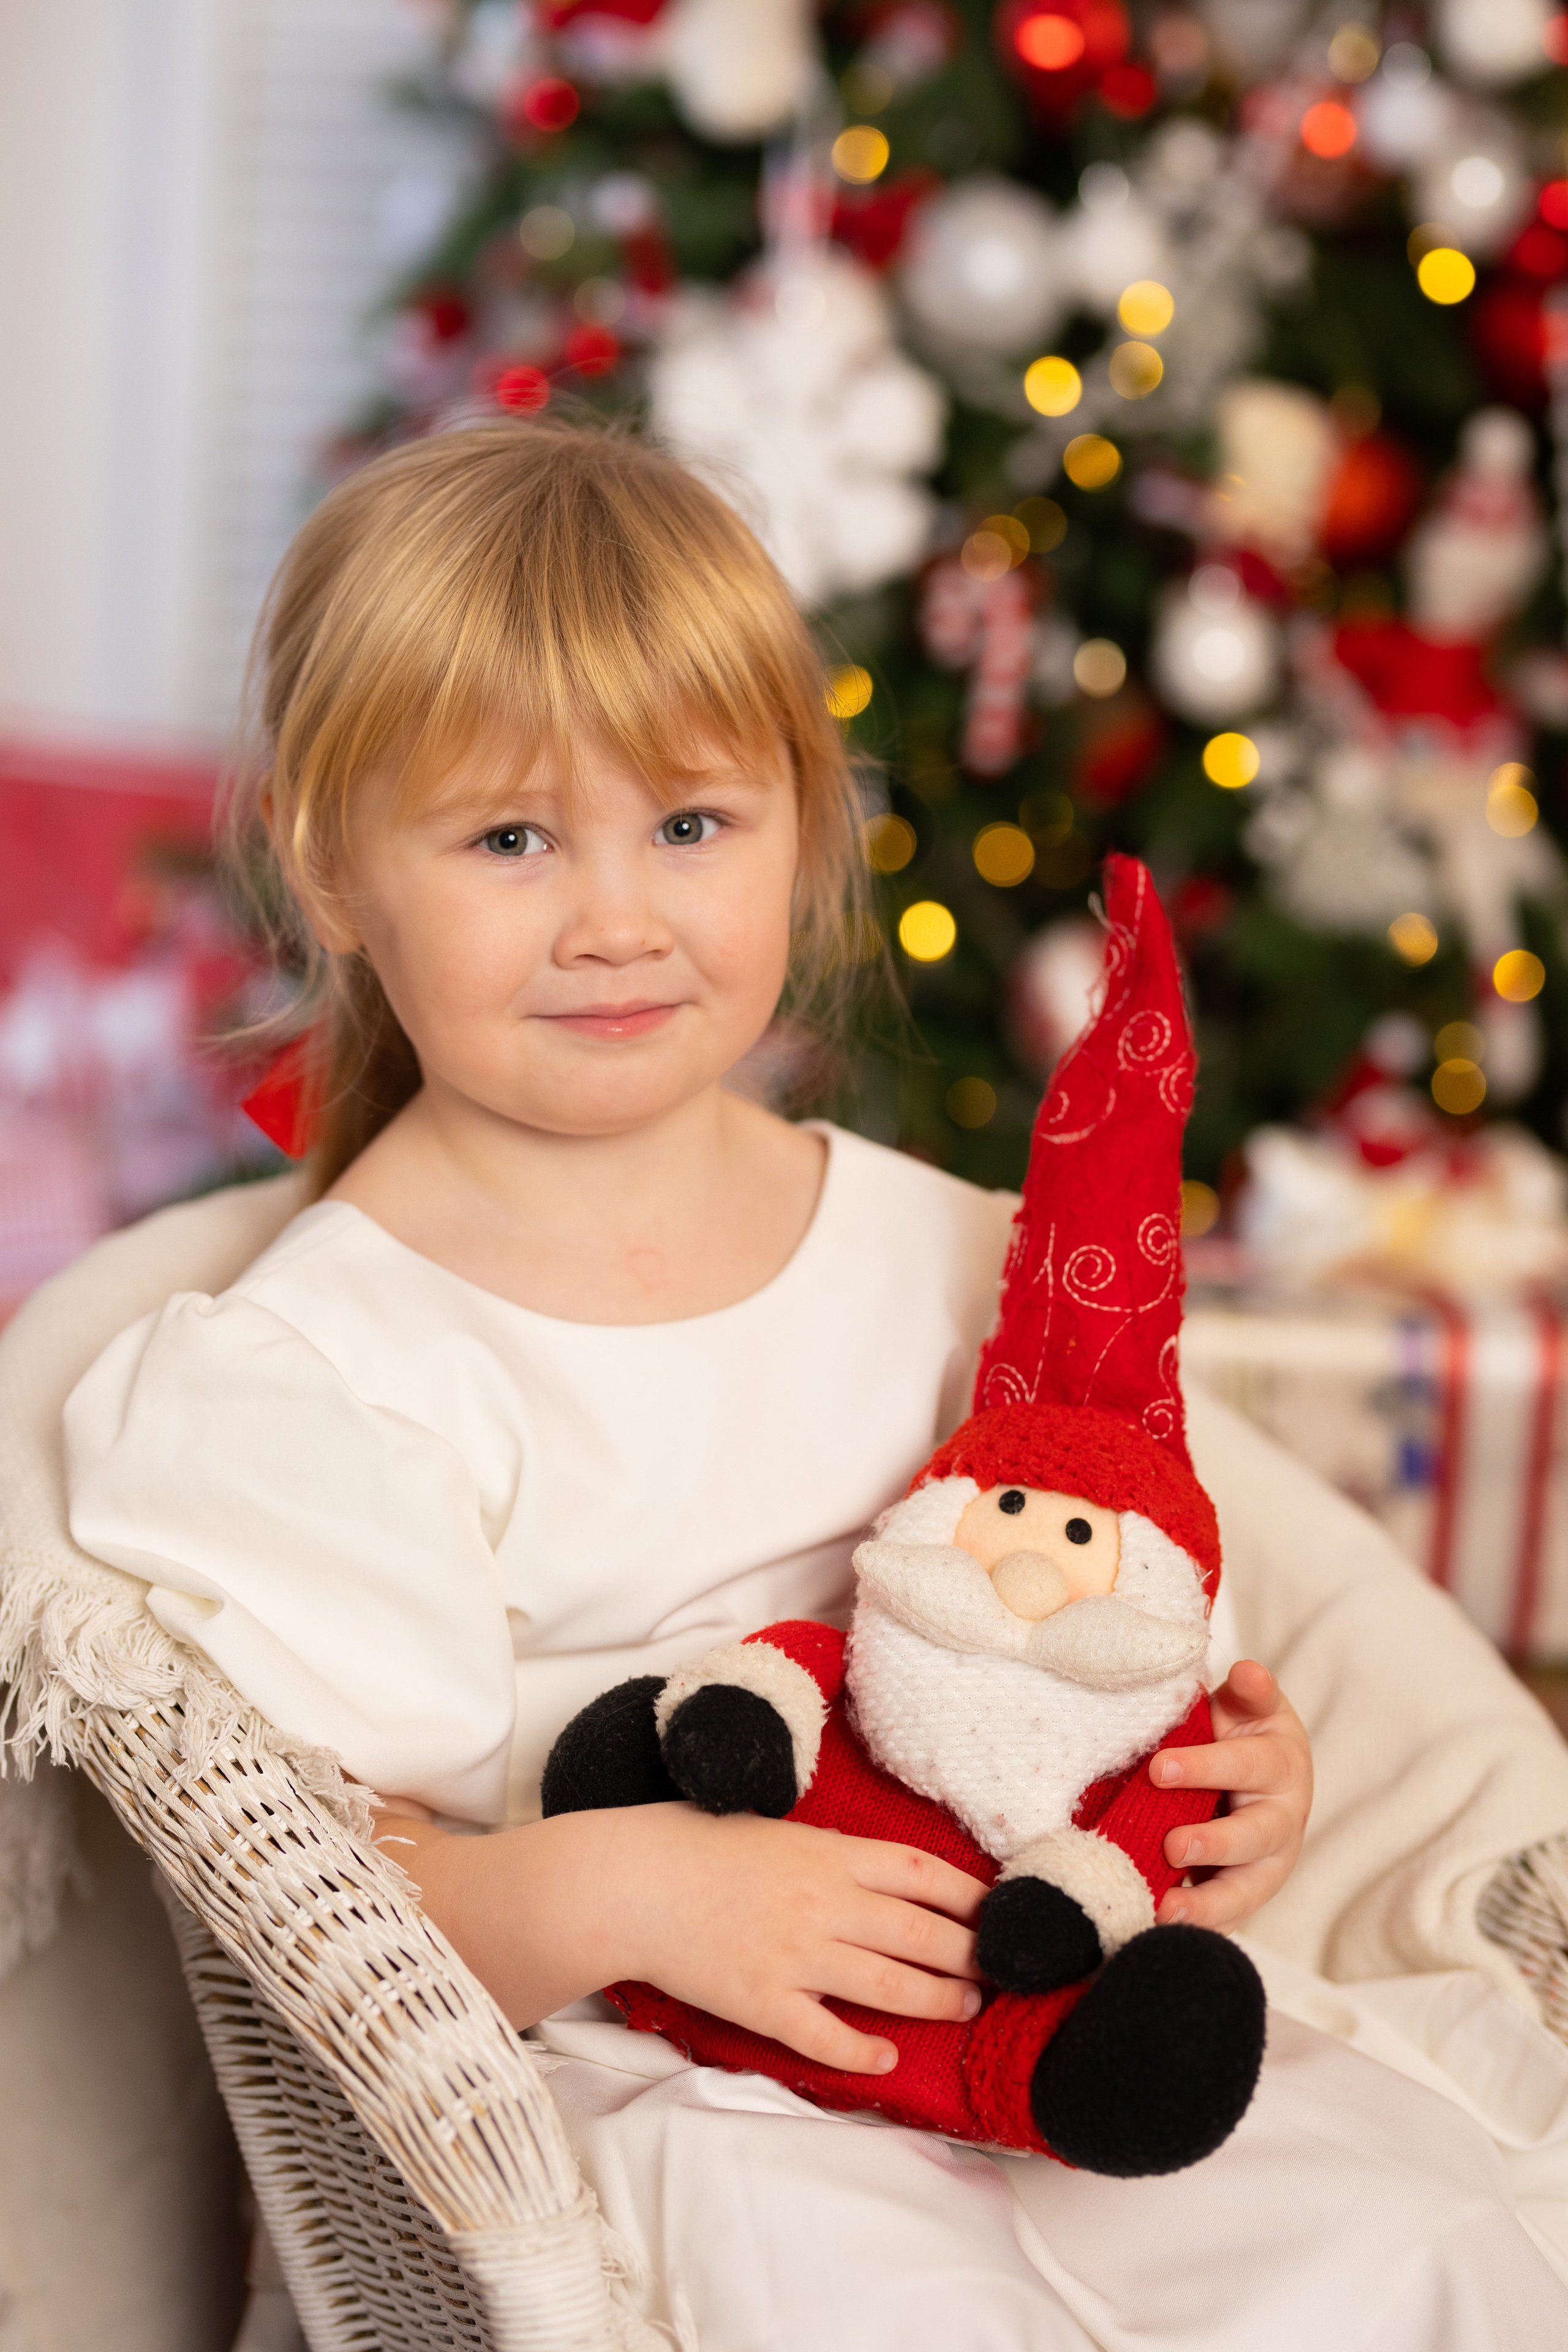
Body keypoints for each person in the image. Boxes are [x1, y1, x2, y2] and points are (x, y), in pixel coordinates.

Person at [62, 421, 1567, 2349]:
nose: (617, 917)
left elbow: (1113, 1612)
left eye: (691, 826)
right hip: (673, 2081)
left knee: (1401, 2243)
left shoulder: (946, 1257)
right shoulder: (321, 1368)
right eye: (512, 838)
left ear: (801, 822)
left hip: (1043, 2026)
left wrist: (1222, 1791)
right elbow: (321, 1912)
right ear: (330, 868)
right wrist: (643, 1898)